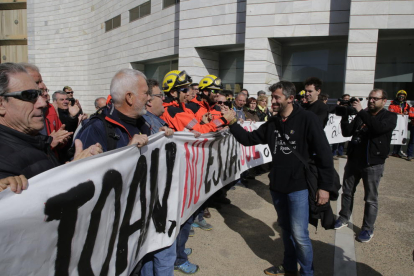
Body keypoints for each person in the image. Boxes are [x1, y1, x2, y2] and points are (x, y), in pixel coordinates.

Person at [227, 81, 334, 276]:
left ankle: (307, 273)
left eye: (277, 98)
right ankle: (289, 267)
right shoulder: (273, 123)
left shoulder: (307, 119)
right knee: (285, 230)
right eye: (272, 98)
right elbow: (249, 140)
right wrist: (233, 123)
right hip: (277, 186)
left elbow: (324, 154)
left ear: (290, 98)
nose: (272, 102)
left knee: (300, 235)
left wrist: (325, 187)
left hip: (299, 186)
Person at [0, 63, 102, 190]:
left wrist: (74, 167)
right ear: (1, 104)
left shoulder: (36, 140)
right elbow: (38, 205)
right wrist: (73, 172)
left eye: (40, 94)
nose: (42, 103)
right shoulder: (4, 165)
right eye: (29, 95)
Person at [334, 89, 397, 243]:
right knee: (347, 192)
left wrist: (361, 111)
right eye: (370, 98)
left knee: (370, 198)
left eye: (375, 99)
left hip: (373, 164)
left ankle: (368, 228)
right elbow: (347, 132)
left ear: (384, 101)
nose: (371, 101)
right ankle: (343, 217)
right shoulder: (362, 115)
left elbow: (377, 129)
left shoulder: (389, 116)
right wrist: (344, 115)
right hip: (354, 161)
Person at [76, 69, 156, 152]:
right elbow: (85, 164)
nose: (149, 98)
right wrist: (129, 150)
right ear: (129, 97)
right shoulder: (96, 129)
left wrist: (160, 137)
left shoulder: (143, 123)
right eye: (145, 93)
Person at [160, 70, 230, 134]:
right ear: (173, 92)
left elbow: (196, 128)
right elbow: (199, 131)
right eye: (184, 90)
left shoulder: (181, 108)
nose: (187, 94)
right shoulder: (174, 111)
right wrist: (224, 119)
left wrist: (203, 123)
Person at [388, 90, 410, 158]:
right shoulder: (392, 104)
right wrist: (400, 114)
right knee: (392, 137)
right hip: (394, 122)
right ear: (397, 96)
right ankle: (388, 151)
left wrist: (406, 113)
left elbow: (408, 112)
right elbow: (391, 112)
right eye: (400, 96)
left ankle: (397, 152)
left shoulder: (406, 105)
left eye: (403, 97)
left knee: (400, 136)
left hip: (402, 123)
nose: (401, 98)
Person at [331, 94, 351, 159]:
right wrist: (338, 105)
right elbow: (332, 111)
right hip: (336, 125)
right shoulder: (338, 106)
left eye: (348, 98)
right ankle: (334, 153)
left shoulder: (349, 106)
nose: (346, 100)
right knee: (336, 139)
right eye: (345, 98)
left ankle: (340, 153)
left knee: (342, 139)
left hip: (344, 124)